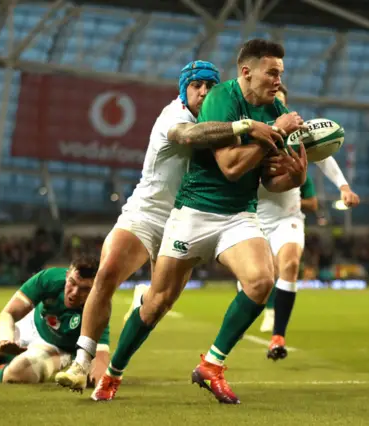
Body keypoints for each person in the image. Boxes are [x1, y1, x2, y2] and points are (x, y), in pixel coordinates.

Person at [90, 38, 308, 404]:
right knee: (156, 303)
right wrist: (273, 131)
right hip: (193, 213)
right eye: (272, 72)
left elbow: (268, 181)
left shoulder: (275, 112)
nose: (277, 80)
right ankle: (112, 374)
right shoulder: (220, 98)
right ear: (247, 72)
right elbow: (231, 166)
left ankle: (212, 365)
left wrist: (296, 177)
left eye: (280, 74)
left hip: (239, 216)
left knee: (261, 281)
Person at [248, 84, 361, 360]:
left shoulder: (297, 132)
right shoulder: (252, 128)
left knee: (289, 264)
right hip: (252, 217)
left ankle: (277, 337)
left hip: (288, 217)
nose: (279, 106)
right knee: (255, 281)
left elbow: (323, 154)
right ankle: (244, 318)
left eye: (282, 101)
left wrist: (343, 187)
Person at [0, 256, 109, 385]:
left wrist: (94, 377)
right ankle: (15, 360)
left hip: (57, 349)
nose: (75, 292)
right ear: (67, 276)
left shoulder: (98, 308)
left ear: (95, 289)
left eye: (84, 289)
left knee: (18, 373)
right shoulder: (50, 278)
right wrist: (5, 340)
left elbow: (101, 357)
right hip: (31, 324)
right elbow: (8, 313)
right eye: (72, 283)